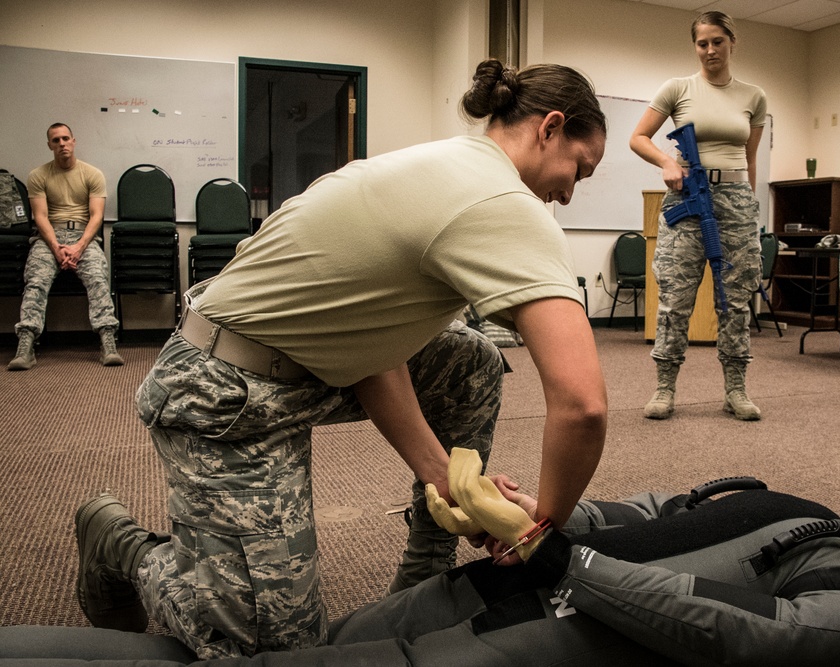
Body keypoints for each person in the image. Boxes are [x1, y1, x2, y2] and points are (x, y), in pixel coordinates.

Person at [73, 59, 609, 659]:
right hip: (221, 391)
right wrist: (541, 536)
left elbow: (378, 342)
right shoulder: (503, 202)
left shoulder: (443, 165)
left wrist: (443, 477)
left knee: (469, 361)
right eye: (579, 170)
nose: (568, 191)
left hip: (303, 362)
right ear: (550, 128)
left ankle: (429, 562)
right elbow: (582, 405)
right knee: (274, 651)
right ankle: (119, 544)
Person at [4, 454, 840, 666]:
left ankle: (118, 542)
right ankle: (120, 546)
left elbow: (794, 645)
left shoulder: (834, 569)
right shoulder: (775, 512)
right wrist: (509, 510)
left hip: (504, 626)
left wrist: (558, 554)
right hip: (487, 602)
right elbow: (624, 515)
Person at [629, 11, 767, 421]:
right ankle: (665, 388)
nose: (710, 50)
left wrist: (751, 205)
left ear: (731, 42)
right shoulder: (678, 88)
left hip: (737, 201)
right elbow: (638, 137)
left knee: (736, 300)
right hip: (687, 197)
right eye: (702, 43)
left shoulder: (754, 96)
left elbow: (750, 157)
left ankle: (736, 390)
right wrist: (667, 165)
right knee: (675, 299)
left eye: (717, 41)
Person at [7, 123, 122, 371]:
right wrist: (57, 247)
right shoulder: (38, 175)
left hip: (84, 235)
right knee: (36, 279)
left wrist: (79, 247)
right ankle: (26, 345)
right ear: (49, 145)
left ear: (73, 141)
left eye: (65, 139)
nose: (62, 144)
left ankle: (107, 342)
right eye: (56, 140)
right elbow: (40, 217)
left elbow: (96, 217)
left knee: (98, 278)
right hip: (49, 237)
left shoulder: (92, 174)